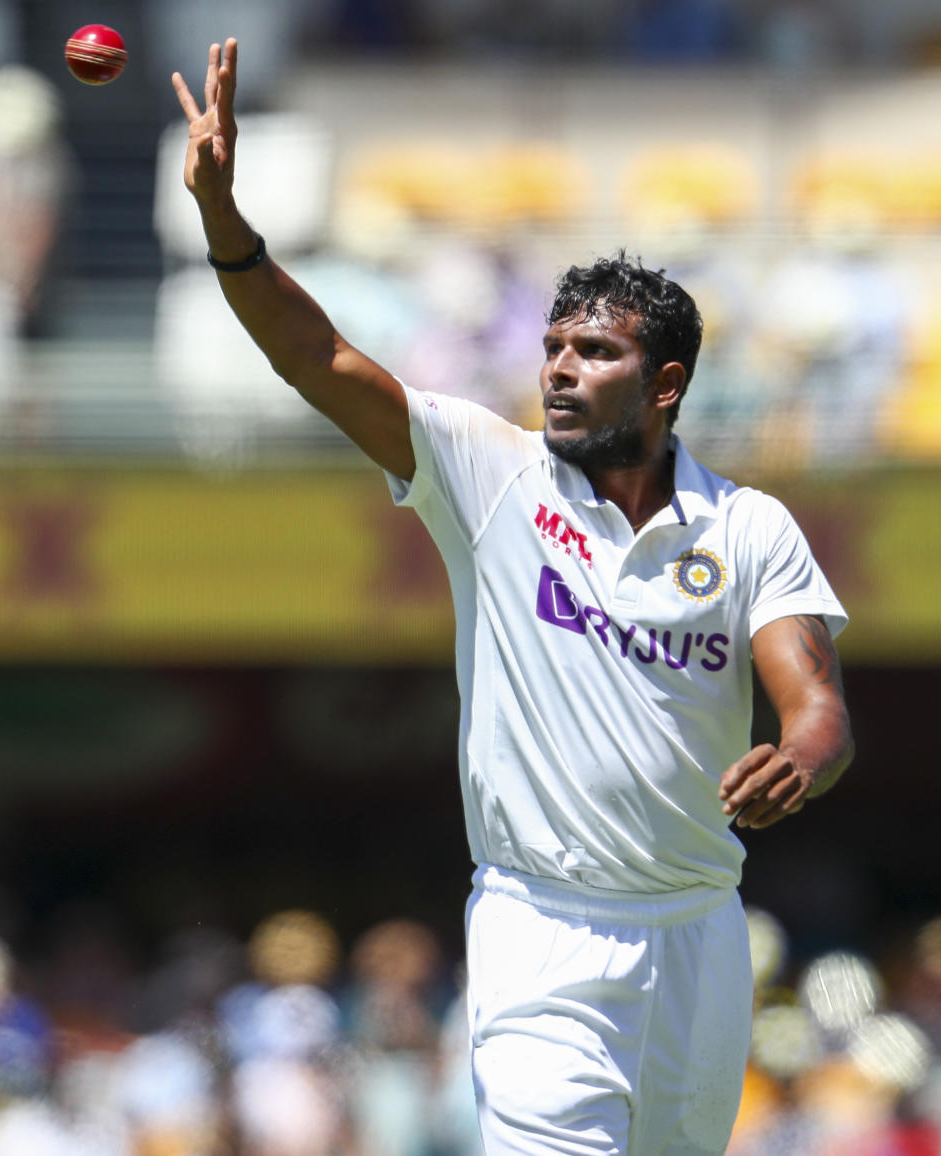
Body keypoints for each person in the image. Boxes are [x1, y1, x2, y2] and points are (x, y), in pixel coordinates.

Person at [172, 40, 855, 1156]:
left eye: (594, 351)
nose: (560, 369)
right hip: (543, 929)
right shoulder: (486, 471)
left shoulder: (747, 526)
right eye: (552, 347)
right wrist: (224, 220)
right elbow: (315, 357)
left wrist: (804, 758)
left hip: (701, 935)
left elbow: (814, 701)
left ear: (667, 384)